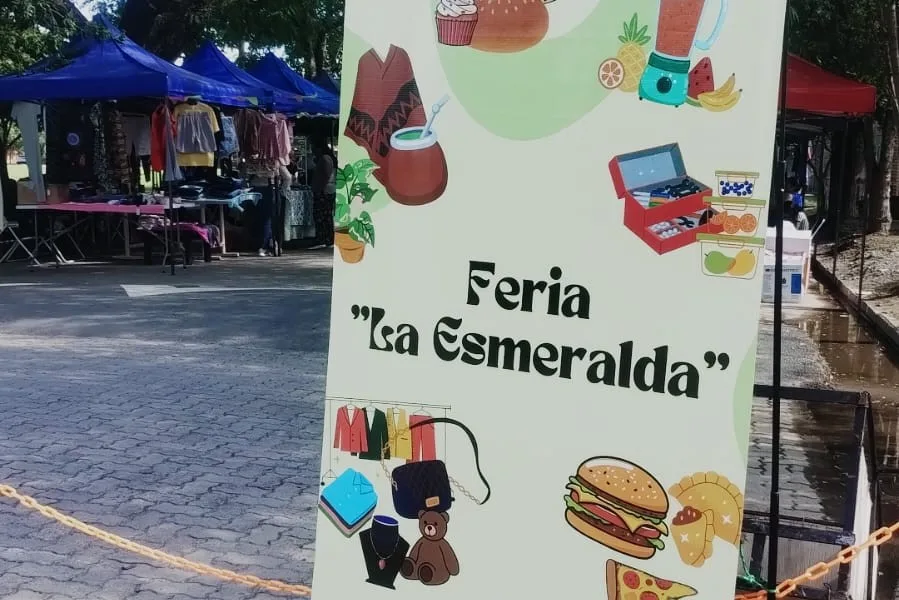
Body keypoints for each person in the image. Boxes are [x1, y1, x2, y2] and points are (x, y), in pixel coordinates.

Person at [311, 138, 336, 248]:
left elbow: (326, 174)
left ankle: (325, 238)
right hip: (325, 189)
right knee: (324, 215)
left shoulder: (325, 159)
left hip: (324, 190)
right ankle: (325, 238)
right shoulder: (325, 158)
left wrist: (321, 187)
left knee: (323, 216)